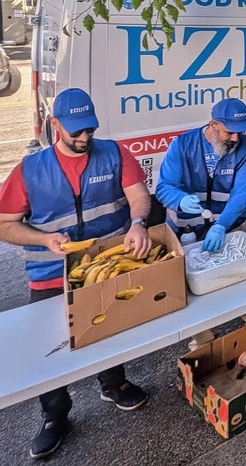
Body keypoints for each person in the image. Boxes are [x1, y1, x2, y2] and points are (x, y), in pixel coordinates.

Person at [0, 88, 152, 459]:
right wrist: (43, 238)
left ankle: (113, 384)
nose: (84, 138)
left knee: (108, 325)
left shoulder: (114, 154)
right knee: (49, 350)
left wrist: (138, 223)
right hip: (50, 273)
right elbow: (5, 224)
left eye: (90, 129)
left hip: (106, 264)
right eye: (76, 131)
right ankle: (54, 415)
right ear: (55, 125)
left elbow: (138, 195)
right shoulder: (29, 170)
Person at [155, 98, 246, 249]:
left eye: (240, 131)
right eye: (229, 132)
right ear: (213, 125)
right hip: (185, 230)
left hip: (229, 227)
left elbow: (242, 192)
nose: (236, 138)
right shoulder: (182, 144)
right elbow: (164, 187)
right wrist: (179, 200)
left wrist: (221, 225)